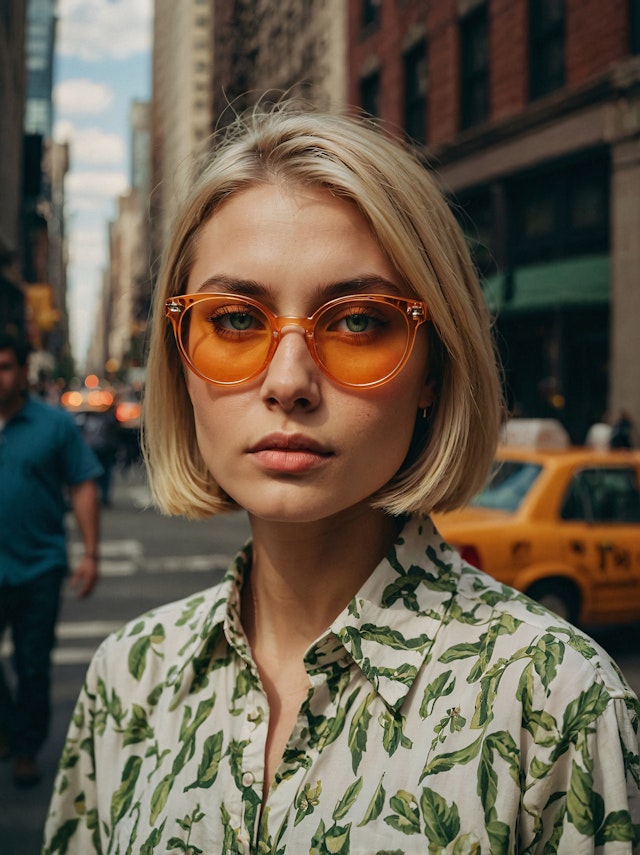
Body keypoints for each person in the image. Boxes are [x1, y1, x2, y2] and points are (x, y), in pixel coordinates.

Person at [43, 107, 640, 852]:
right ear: (179, 357)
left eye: (357, 322)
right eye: (234, 319)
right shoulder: (127, 679)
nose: (288, 381)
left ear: (434, 368)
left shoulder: (557, 700)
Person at [0, 333, 102, 788]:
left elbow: (82, 485)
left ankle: (25, 748)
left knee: (33, 663)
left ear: (24, 371)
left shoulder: (54, 425)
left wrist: (91, 553)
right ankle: (9, 727)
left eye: (4, 366)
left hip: (38, 566)